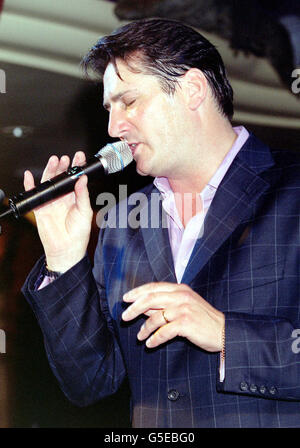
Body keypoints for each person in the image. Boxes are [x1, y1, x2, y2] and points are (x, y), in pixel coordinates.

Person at [22, 18, 300, 428]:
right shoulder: (121, 224)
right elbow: (89, 383)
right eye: (109, 109)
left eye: (128, 102)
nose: (114, 128)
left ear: (192, 90)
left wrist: (225, 335)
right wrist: (64, 258)